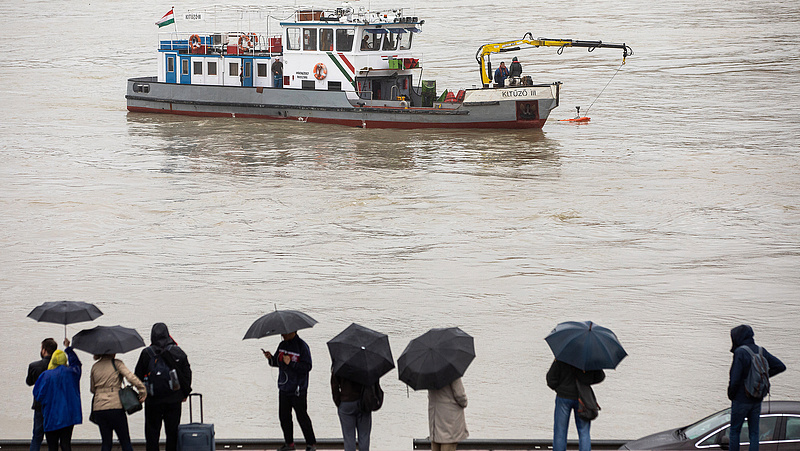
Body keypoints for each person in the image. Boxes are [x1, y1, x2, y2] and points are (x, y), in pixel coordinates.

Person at [134, 323, 192, 451]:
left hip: (153, 400)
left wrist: (143, 393)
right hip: (174, 399)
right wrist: (184, 394)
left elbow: (137, 376)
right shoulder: (177, 352)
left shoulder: (147, 353)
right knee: (172, 433)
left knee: (152, 433)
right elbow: (187, 374)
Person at [727, 325, 786, 451]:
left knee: (735, 431)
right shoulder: (761, 351)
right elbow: (780, 366)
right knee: (754, 433)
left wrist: (731, 395)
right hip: (756, 398)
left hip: (741, 399)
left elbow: (735, 379)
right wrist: (762, 378)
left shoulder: (740, 352)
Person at [263, 331, 317, 451]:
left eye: (285, 333)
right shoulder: (282, 345)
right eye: (282, 333)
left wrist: (291, 363)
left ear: (293, 331)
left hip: (298, 390)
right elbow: (277, 363)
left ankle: (311, 444)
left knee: (302, 417)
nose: (282, 335)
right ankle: (289, 444)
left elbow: (307, 367)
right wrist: (270, 358)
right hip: (284, 388)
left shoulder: (302, 346)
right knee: (284, 417)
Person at [90, 353, 147, 451]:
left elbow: (92, 389)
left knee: (106, 442)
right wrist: (142, 390)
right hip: (115, 407)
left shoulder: (95, 366)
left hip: (99, 408)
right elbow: (131, 377)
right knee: (125, 441)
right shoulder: (117, 363)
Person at [32, 338, 82, 451]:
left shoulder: (46, 375)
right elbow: (77, 363)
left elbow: (38, 395)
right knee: (66, 444)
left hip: (51, 415)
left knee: (52, 446)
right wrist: (68, 348)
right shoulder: (73, 373)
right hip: (68, 416)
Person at [546, 360, 605, 451]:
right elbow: (600, 377)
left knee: (560, 431)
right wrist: (586, 382)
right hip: (583, 399)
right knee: (584, 432)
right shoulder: (589, 359)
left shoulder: (562, 358)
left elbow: (551, 380)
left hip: (563, 397)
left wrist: (560, 389)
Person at [27, 338, 58, 451]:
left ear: (44, 350)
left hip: (39, 405)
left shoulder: (34, 366)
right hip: (55, 405)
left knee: (37, 436)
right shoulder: (60, 367)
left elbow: (29, 382)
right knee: (53, 438)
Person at [331, 369, 370, 451]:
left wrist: (339, 402)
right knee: (364, 436)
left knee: (349, 437)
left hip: (346, 402)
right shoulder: (366, 364)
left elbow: (334, 385)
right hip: (363, 402)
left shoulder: (340, 364)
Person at [427, 377, 468, 451]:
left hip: (434, 419)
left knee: (436, 443)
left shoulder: (429, 374)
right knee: (449, 443)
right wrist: (464, 402)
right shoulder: (451, 373)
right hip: (450, 419)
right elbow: (460, 395)